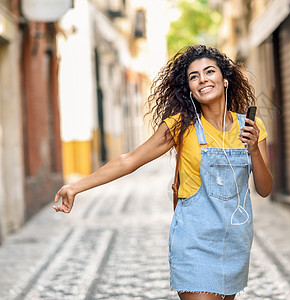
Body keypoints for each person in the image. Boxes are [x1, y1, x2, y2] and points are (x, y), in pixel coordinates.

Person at [53, 45, 273, 300]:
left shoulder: (252, 126)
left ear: (224, 80)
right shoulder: (181, 126)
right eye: (194, 76)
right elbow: (129, 160)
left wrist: (254, 149)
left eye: (209, 71)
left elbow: (265, 189)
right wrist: (75, 187)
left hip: (235, 241)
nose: (202, 79)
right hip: (194, 241)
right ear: (189, 88)